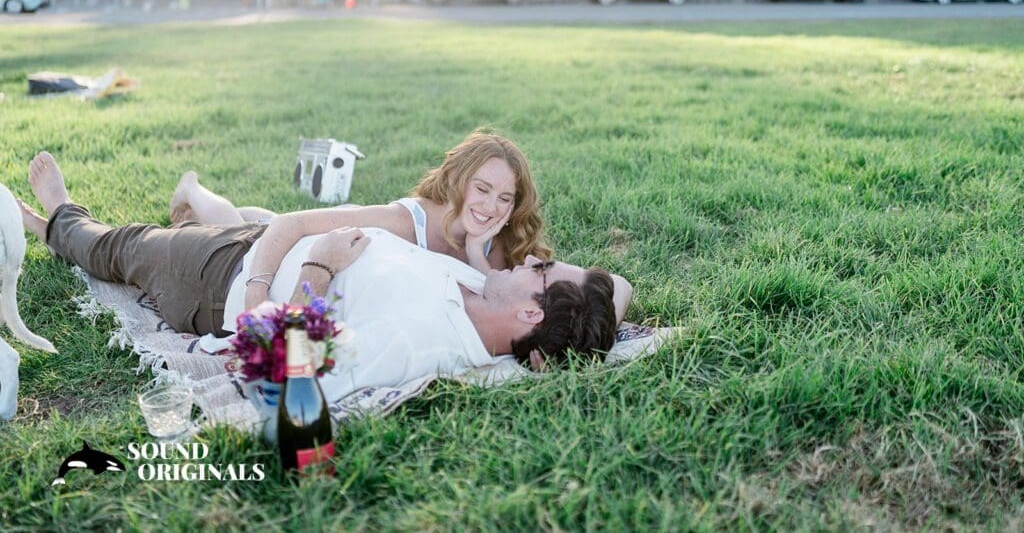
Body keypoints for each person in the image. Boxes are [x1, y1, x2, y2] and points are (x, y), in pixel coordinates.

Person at [18, 152, 631, 398]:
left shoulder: (415, 340)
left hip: (219, 278)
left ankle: (57, 219)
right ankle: (182, 208)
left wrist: (318, 267)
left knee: (119, 248)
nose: (526, 259)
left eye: (540, 269)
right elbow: (615, 295)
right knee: (234, 222)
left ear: (531, 311)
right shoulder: (483, 293)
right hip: (257, 246)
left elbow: (284, 376)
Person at [168, 129, 551, 273]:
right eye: (481, 189)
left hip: (329, 227)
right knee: (242, 234)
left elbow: (493, 292)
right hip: (325, 238)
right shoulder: (405, 222)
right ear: (456, 180)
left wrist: (474, 252)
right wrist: (256, 293)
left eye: (505, 197)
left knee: (266, 219)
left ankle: (245, 212)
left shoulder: (498, 241)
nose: (491, 207)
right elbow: (294, 226)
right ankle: (192, 188)